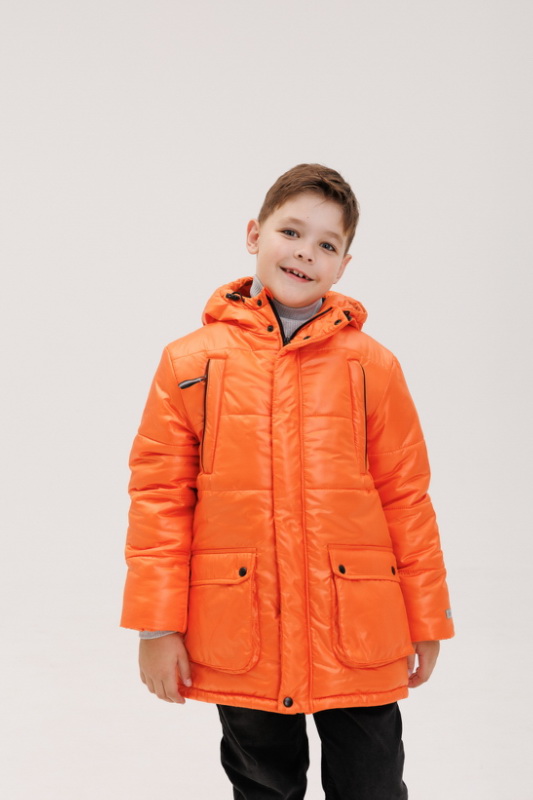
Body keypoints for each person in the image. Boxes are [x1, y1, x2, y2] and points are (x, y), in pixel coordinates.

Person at [120, 163, 454, 799]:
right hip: (240, 624)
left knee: (372, 784)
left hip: (359, 628)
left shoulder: (373, 367)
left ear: (343, 265)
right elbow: (160, 498)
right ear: (254, 233)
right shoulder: (190, 362)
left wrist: (427, 617)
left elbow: (407, 497)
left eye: (326, 244)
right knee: (263, 786)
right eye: (291, 232)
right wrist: (156, 626)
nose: (305, 253)